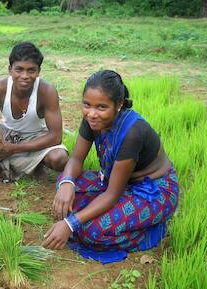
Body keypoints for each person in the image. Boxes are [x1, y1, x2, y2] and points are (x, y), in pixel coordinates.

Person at [43, 70, 179, 252]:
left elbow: (112, 194)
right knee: (63, 183)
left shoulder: (132, 133)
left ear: (119, 104)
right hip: (114, 181)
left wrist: (70, 223)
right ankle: (104, 215)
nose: (91, 113)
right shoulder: (92, 121)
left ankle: (151, 229)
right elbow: (76, 159)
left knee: (92, 231)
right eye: (86, 105)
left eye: (101, 107)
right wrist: (67, 182)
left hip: (152, 190)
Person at [0, 42, 68, 189]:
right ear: (10, 70)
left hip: (36, 136)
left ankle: (37, 167)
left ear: (38, 71)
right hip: (8, 133)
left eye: (31, 70)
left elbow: (55, 137)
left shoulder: (46, 91)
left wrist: (14, 148)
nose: (25, 76)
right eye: (19, 70)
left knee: (59, 158)